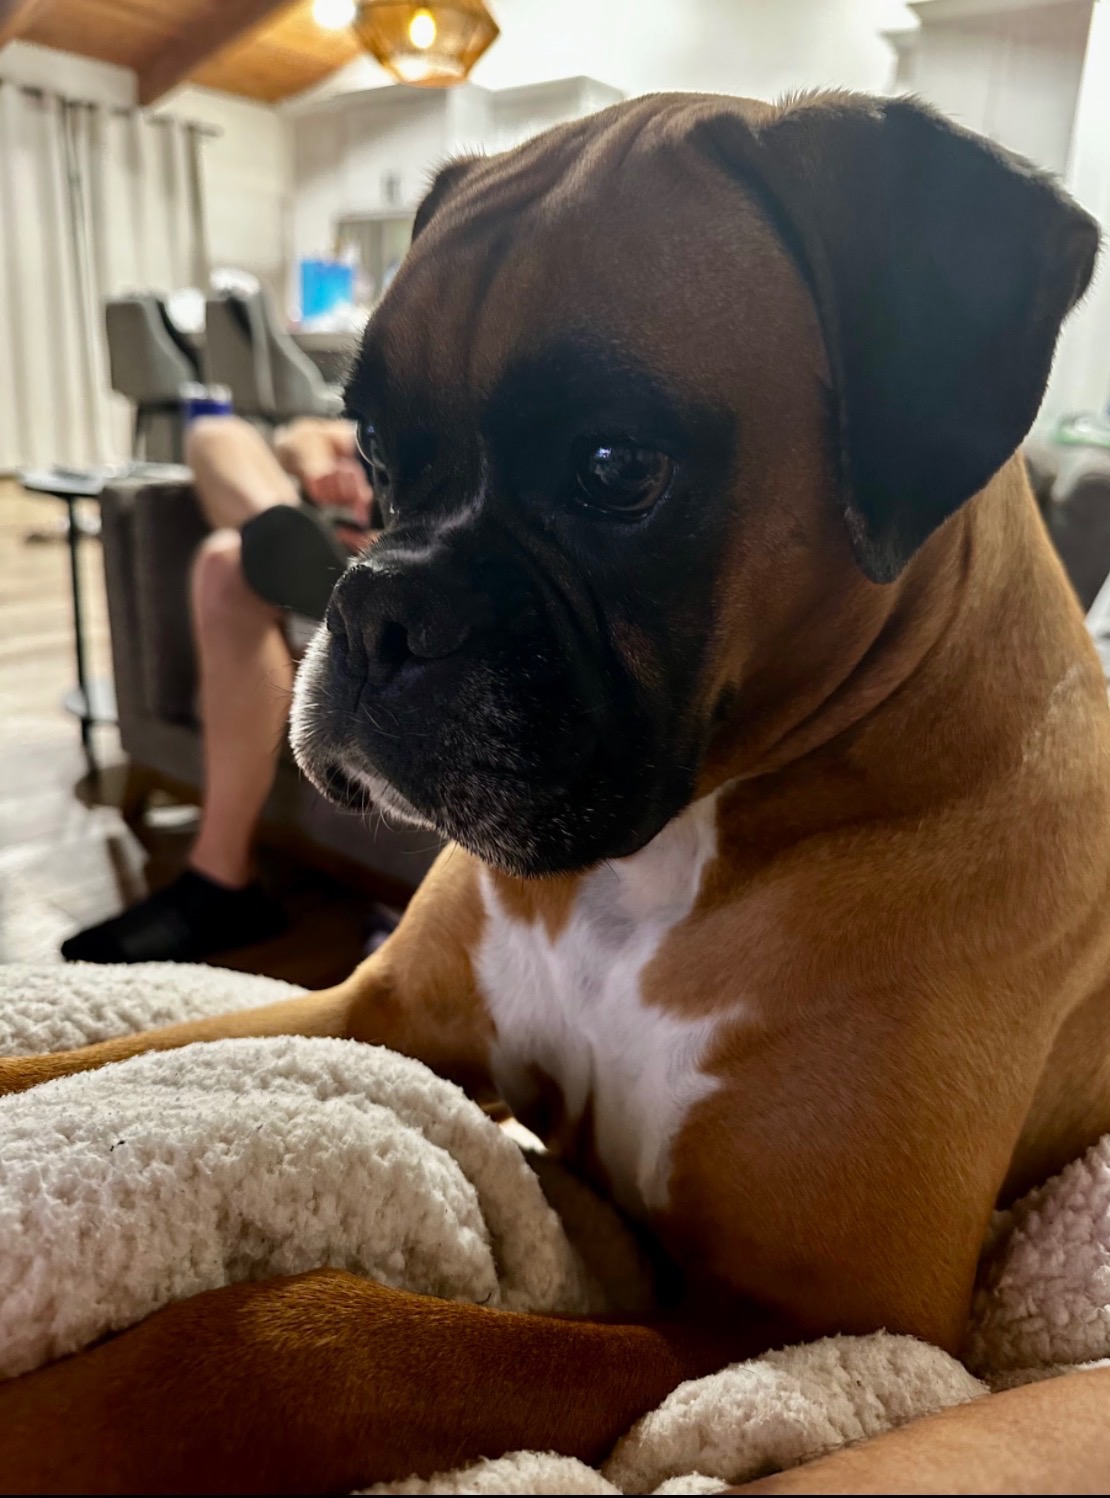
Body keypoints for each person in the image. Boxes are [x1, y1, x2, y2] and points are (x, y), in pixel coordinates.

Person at [61, 415, 375, 964]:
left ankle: (220, 883)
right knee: (214, 435)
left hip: (388, 572)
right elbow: (301, 434)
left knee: (225, 562)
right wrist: (319, 470)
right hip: (332, 549)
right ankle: (286, 542)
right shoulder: (398, 412)